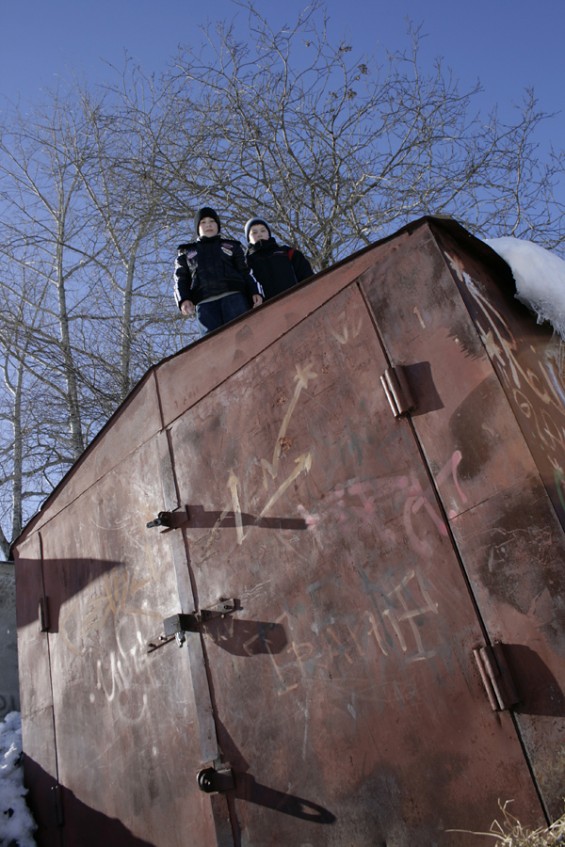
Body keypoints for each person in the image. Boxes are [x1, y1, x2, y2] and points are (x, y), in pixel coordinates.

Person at [174, 207, 263, 336]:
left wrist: (255, 291)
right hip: (205, 303)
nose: (208, 225)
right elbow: (180, 278)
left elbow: (246, 271)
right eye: (203, 222)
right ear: (197, 228)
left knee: (243, 336)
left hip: (234, 298)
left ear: (218, 225)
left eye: (212, 221)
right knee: (214, 345)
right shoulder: (186, 252)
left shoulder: (232, 246)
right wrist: (183, 299)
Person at [244, 217, 314, 300]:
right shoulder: (246, 262)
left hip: (296, 298)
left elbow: (306, 274)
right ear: (248, 238)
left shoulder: (287, 252)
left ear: (268, 234)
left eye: (263, 231)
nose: (259, 234)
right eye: (254, 232)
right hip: (267, 306)